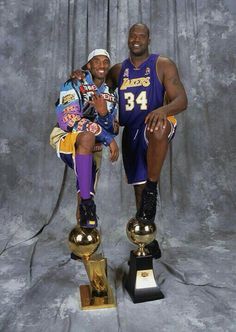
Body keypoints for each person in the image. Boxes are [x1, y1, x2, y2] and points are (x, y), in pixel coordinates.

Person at [72, 23, 188, 258]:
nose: (136, 39)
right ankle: (147, 236)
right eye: (132, 36)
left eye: (141, 36)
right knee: (139, 185)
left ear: (148, 38)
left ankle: (153, 191)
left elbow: (181, 100)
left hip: (155, 125)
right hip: (131, 131)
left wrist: (163, 110)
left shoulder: (162, 64)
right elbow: (97, 81)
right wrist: (79, 74)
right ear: (128, 39)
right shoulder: (117, 70)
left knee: (158, 131)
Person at [50, 49, 119, 229]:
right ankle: (88, 205)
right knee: (87, 138)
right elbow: (68, 121)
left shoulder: (110, 93)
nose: (102, 65)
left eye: (106, 61)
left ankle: (84, 238)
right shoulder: (74, 82)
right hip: (65, 136)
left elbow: (112, 128)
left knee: (86, 186)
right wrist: (107, 138)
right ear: (88, 65)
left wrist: (103, 113)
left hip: (92, 144)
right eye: (97, 61)